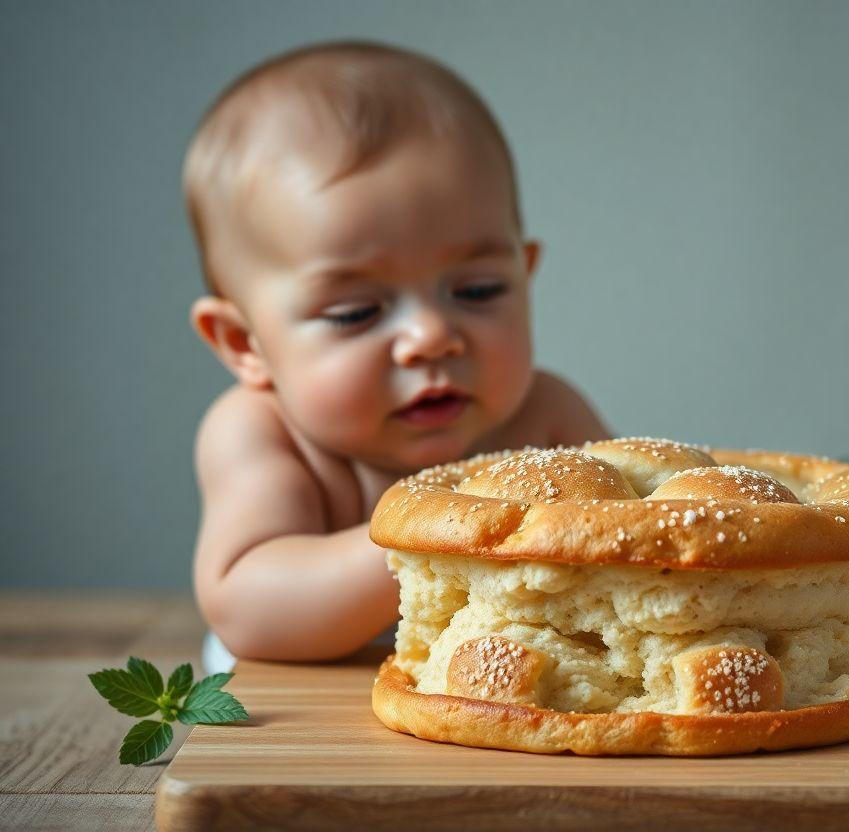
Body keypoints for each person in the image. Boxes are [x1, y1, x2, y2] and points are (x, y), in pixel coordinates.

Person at [185, 41, 610, 672]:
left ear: (524, 278)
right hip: (303, 700)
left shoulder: (547, 416)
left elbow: (623, 544)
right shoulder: (258, 431)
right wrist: (434, 538)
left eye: (477, 290)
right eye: (356, 312)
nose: (431, 336)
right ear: (245, 344)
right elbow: (246, 609)